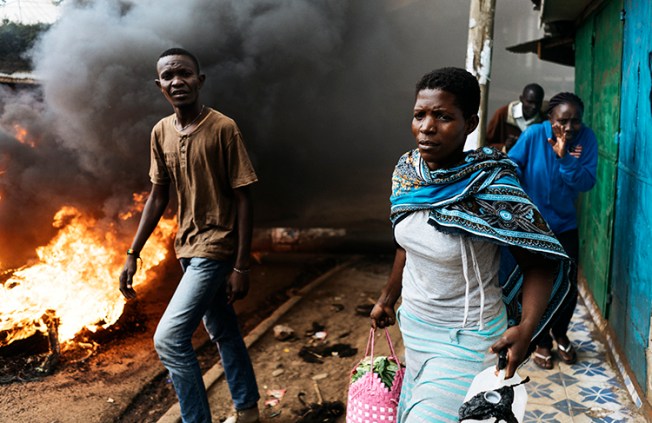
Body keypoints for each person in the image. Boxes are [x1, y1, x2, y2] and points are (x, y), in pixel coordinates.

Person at [370, 67, 572, 422]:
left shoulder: (491, 184)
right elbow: (406, 241)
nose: (427, 127)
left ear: (470, 122)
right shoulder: (407, 173)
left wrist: (526, 330)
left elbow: (538, 261)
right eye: (420, 115)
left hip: (469, 339)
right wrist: (388, 298)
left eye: (443, 117)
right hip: (415, 328)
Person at [119, 48, 260, 423]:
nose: (176, 81)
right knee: (223, 330)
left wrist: (242, 265)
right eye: (168, 76)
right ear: (159, 85)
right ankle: (248, 410)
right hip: (187, 246)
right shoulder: (161, 131)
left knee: (168, 339)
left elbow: (244, 199)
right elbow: (157, 195)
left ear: (200, 80)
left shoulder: (224, 128)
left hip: (216, 249)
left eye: (184, 74)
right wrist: (133, 253)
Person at [508, 92, 598, 370]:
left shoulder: (587, 139)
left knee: (567, 285)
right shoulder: (535, 134)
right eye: (563, 121)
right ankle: (542, 340)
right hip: (532, 226)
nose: (570, 128)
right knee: (532, 283)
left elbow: (585, 182)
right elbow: (513, 164)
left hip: (564, 225)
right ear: (550, 119)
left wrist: (564, 158)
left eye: (576, 121)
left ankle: (560, 332)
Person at [486, 83, 545, 152]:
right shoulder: (503, 114)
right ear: (521, 99)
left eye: (538, 103)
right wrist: (504, 147)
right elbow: (486, 144)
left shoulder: (543, 121)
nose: (534, 107)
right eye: (529, 102)